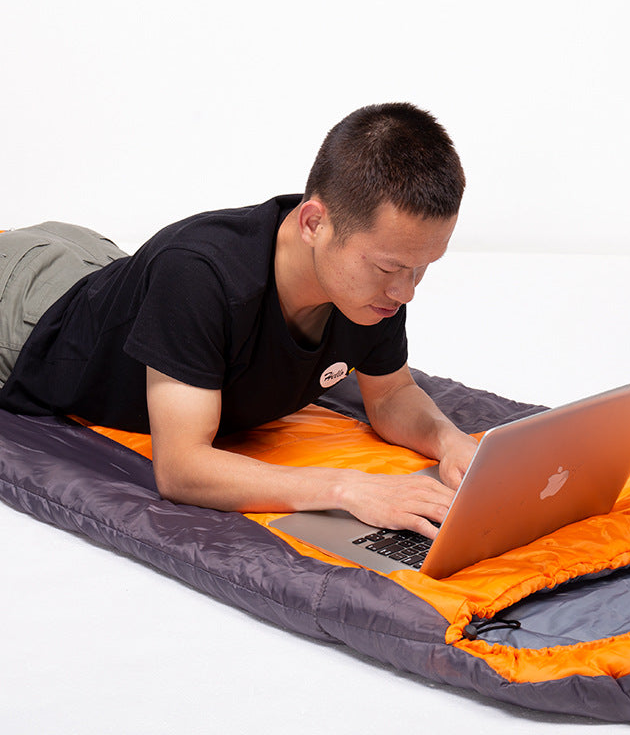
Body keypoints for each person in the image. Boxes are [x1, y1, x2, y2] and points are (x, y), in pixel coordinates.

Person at [0, 102, 477, 539]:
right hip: (24, 309)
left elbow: (391, 394)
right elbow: (182, 470)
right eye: (390, 268)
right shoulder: (198, 276)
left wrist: (450, 442)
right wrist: (350, 489)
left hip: (93, 261)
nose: (406, 292)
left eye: (422, 267)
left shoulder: (371, 284)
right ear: (313, 224)